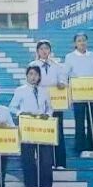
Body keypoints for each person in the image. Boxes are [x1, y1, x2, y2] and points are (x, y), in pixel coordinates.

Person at [10, 65, 54, 187]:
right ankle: (31, 185)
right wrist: (21, 113)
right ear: (27, 76)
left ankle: (46, 186)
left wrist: (47, 115)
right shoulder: (20, 90)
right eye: (31, 74)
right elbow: (12, 107)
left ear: (39, 76)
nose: (33, 77)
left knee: (46, 158)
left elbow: (50, 107)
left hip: (42, 126)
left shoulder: (44, 91)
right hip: (27, 126)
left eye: (36, 74)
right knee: (28, 157)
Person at [29, 40, 69, 169]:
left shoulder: (57, 65)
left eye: (46, 48)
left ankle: (60, 162)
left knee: (58, 131)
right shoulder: (33, 65)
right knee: (44, 132)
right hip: (40, 103)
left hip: (56, 102)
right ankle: (47, 162)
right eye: (41, 48)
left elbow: (63, 79)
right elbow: (30, 82)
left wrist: (62, 83)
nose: (44, 51)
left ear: (50, 50)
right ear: (37, 51)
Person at [65, 33, 93, 159]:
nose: (82, 43)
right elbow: (66, 74)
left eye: (84, 40)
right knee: (80, 122)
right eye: (79, 41)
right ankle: (80, 148)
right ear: (75, 43)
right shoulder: (70, 57)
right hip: (78, 93)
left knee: (92, 121)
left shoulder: (92, 55)